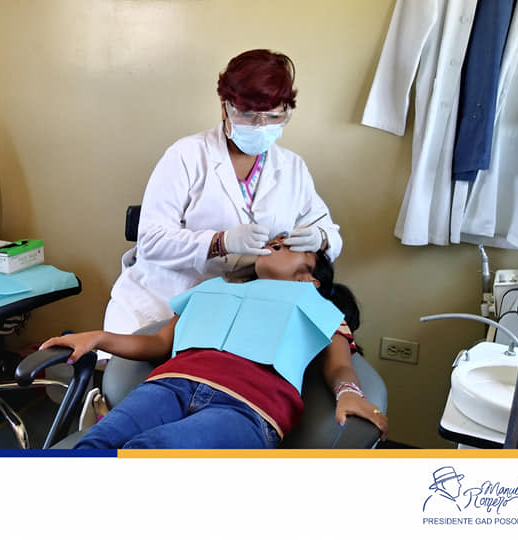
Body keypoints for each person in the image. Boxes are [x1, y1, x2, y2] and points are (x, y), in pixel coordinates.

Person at [41, 238, 387, 449]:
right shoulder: (211, 289)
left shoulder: (317, 307)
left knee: (149, 452)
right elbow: (159, 343)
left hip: (247, 408)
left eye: (292, 245)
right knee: (94, 444)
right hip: (168, 386)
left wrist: (349, 394)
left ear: (311, 278)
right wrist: (97, 337)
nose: (277, 240)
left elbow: (339, 365)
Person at [105, 49, 344, 339]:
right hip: (159, 304)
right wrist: (220, 242)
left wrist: (322, 238)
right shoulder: (186, 155)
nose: (260, 126)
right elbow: (152, 241)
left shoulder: (292, 168)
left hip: (234, 313)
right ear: (225, 108)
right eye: (248, 115)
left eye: (272, 116)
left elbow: (329, 234)